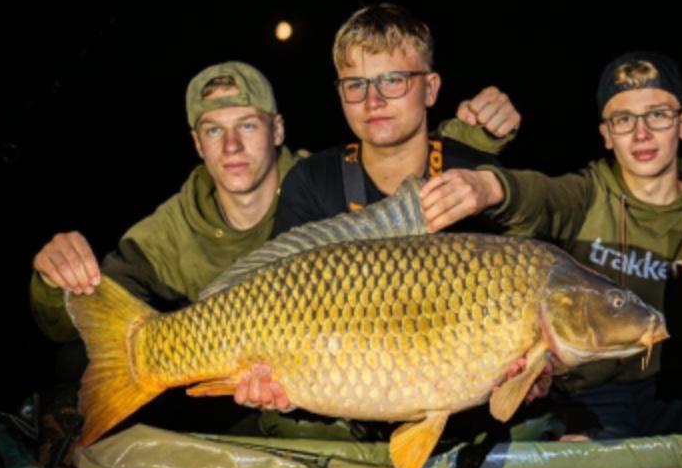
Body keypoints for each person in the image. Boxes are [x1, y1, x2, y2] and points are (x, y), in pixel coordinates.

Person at [30, 60, 518, 413]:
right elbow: (75, 320)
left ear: (277, 130)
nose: (233, 146)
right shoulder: (166, 231)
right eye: (214, 131)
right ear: (196, 143)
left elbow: (396, 182)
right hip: (238, 399)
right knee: (76, 359)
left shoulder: (320, 187)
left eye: (247, 125)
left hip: (346, 387)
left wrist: (475, 137)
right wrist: (54, 281)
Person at [420, 51, 682, 445]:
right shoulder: (586, 194)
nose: (641, 133)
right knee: (577, 457)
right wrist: (489, 186)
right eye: (624, 119)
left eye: (657, 115)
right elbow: (541, 196)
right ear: (607, 135)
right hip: (589, 398)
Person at [271, 3, 521, 236]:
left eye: (392, 80)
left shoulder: (476, 178)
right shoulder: (311, 184)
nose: (373, 101)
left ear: (430, 89)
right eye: (356, 84)